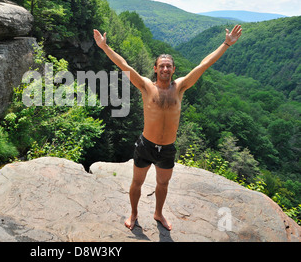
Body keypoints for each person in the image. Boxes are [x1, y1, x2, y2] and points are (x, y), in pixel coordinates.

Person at [93, 25, 242, 231]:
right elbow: (123, 65)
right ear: (155, 69)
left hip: (168, 149)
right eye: (161, 66)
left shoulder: (179, 87)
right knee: (137, 182)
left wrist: (226, 44)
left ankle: (158, 213)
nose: (165, 69)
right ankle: (134, 213)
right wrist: (104, 47)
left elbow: (203, 65)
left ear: (173, 69)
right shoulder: (146, 86)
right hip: (145, 146)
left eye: (168, 66)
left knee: (163, 185)